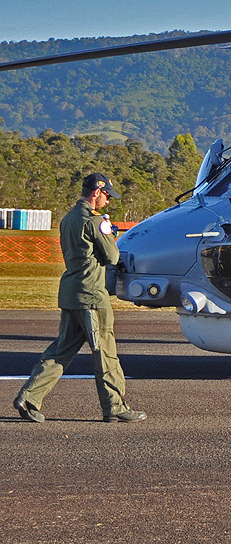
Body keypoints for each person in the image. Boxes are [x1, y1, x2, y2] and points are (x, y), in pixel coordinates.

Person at [12, 173, 146, 424]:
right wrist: (110, 236)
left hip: (71, 292)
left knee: (61, 350)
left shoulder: (68, 219)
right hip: (92, 295)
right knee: (105, 352)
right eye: (107, 195)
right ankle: (114, 406)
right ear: (96, 192)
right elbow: (112, 257)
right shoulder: (95, 222)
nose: (108, 200)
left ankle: (29, 397)